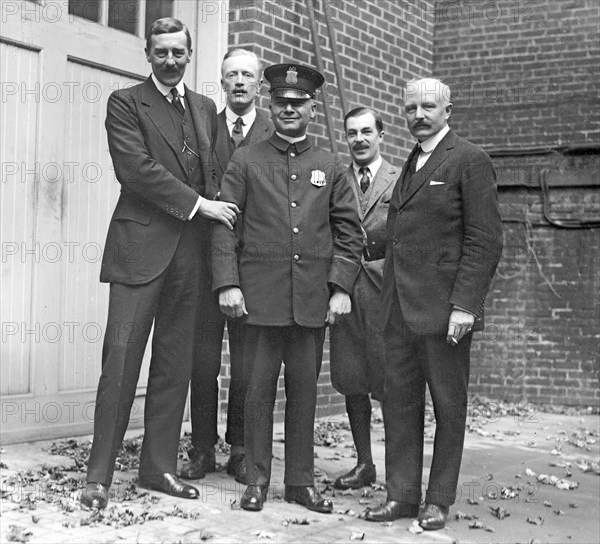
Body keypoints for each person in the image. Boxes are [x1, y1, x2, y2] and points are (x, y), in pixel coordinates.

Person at [80, 17, 239, 509]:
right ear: (147, 54)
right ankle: (98, 477)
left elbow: (220, 173)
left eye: (179, 52)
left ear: (190, 55)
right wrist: (200, 205)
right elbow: (136, 170)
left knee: (175, 366)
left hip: (191, 257)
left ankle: (159, 468)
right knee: (121, 362)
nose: (171, 60)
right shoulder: (126, 103)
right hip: (140, 251)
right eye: (161, 52)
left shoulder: (206, 108)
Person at [211, 64, 363, 513]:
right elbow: (225, 226)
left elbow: (349, 233)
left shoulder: (330, 165)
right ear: (270, 105)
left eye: (298, 104)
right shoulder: (247, 160)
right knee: (256, 392)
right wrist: (228, 283)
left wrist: (341, 288)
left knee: (304, 393)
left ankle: (300, 482)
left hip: (312, 302)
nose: (289, 110)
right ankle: (256, 479)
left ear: (312, 110)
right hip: (259, 300)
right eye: (281, 103)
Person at [364, 78, 503, 529]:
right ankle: (401, 496)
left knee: (448, 407)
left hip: (444, 312)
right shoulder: (411, 161)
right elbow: (403, 231)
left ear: (448, 110)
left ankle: (437, 500)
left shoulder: (469, 160)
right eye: (410, 108)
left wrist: (465, 305)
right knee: (400, 405)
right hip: (399, 310)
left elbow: (484, 241)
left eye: (428, 107)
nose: (418, 115)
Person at [181, 48, 272, 484]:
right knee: (202, 361)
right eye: (231, 75)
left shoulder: (276, 132)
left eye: (247, 75)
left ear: (259, 85)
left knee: (247, 361)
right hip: (205, 261)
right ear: (221, 82)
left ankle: (239, 448)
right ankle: (202, 447)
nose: (239, 82)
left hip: (255, 266)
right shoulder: (204, 127)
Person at [329, 107, 397, 491]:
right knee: (352, 378)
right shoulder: (336, 179)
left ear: (381, 135)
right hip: (346, 290)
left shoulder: (400, 179)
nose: (359, 139)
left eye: (367, 131)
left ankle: (396, 471)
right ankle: (364, 463)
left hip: (386, 291)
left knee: (390, 382)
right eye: (352, 133)